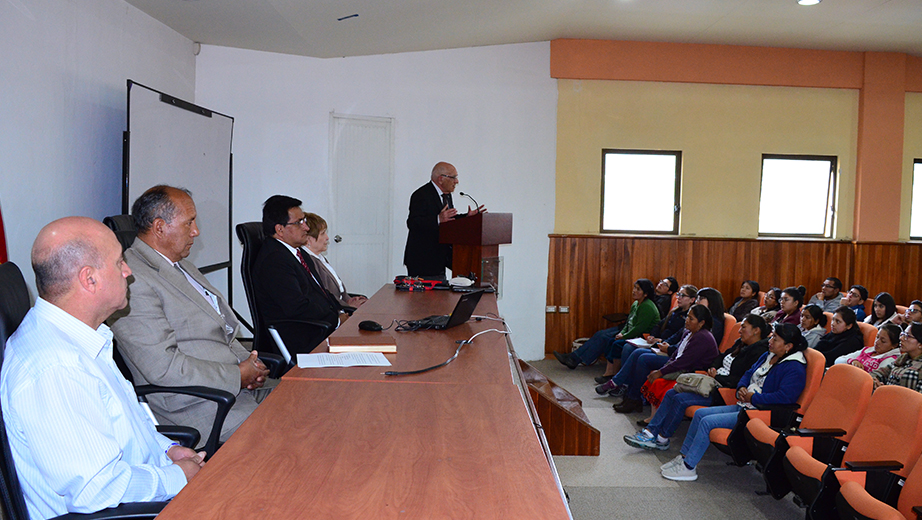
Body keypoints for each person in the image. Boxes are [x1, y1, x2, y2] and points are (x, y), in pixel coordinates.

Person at [1, 217, 205, 519]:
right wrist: (178, 477)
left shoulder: (82, 337)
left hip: (145, 494)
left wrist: (167, 450)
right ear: (89, 279)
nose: (128, 271)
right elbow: (95, 490)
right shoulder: (57, 368)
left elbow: (126, 427)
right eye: (119, 262)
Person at [110, 186, 274, 446]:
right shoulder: (133, 280)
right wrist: (236, 376)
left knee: (312, 404)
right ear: (160, 227)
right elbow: (163, 368)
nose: (196, 231)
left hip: (240, 389)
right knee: (290, 437)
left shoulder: (181, 264)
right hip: (203, 405)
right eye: (189, 223)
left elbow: (221, 329)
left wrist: (251, 367)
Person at [624, 323, 807, 482]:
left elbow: (785, 398)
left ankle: (689, 467)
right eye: (772, 336)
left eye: (776, 339)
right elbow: (748, 374)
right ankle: (684, 457)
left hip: (759, 413)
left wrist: (753, 398)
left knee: (707, 421)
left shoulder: (795, 367)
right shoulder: (769, 355)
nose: (771, 341)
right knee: (700, 414)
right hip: (745, 404)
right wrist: (743, 387)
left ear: (788, 346)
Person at [252, 196, 342, 355]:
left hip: (320, 326)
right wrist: (336, 321)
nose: (306, 227)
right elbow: (297, 307)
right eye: (299, 222)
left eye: (304, 220)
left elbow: (319, 292)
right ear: (280, 229)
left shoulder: (297, 252)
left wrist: (341, 309)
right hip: (304, 337)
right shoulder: (274, 261)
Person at [612, 304, 719, 414]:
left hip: (692, 371)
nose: (687, 320)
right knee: (638, 354)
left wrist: (660, 372)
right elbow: (677, 353)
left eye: (691, 319)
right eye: (687, 316)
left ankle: (633, 398)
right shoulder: (689, 332)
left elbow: (684, 362)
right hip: (678, 364)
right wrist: (665, 365)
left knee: (644, 359)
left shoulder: (703, 337)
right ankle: (631, 396)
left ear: (701, 323)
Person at [595, 284, 697, 385]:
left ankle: (621, 382)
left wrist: (661, 341)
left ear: (692, 300)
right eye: (678, 294)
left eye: (683, 295)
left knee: (630, 349)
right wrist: (653, 335)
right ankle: (622, 381)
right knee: (627, 346)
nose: (678, 297)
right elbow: (659, 324)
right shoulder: (675, 311)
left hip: (667, 346)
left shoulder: (690, 319)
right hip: (659, 341)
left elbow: (678, 336)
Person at [554, 279, 659, 371]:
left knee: (604, 338)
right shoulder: (636, 303)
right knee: (600, 334)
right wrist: (622, 332)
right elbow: (629, 322)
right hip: (625, 329)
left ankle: (574, 359)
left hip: (639, 335)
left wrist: (623, 336)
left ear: (645, 294)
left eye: (638, 289)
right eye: (634, 288)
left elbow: (639, 328)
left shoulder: (648, 307)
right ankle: (573, 358)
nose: (634, 291)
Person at [403, 161, 485, 277]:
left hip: (440, 259)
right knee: (424, 296)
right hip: (423, 260)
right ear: (441, 179)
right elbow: (413, 223)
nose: (457, 181)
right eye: (453, 177)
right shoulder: (421, 195)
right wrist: (437, 219)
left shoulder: (446, 195)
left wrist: (467, 217)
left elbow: (448, 220)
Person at [302, 212, 367, 309]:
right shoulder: (309, 262)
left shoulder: (319, 257)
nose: (327, 238)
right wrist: (348, 306)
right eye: (323, 233)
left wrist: (349, 299)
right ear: (308, 239)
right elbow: (324, 296)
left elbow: (338, 290)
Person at [869, 322, 922, 393]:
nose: (901, 338)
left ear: (920, 344)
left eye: (907, 336)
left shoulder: (919, 367)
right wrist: (875, 381)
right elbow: (879, 372)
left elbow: (916, 399)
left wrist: (886, 391)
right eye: (903, 334)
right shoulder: (903, 359)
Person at [836, 323, 901, 372]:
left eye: (883, 341)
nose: (877, 342)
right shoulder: (867, 350)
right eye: (877, 337)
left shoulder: (890, 360)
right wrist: (852, 361)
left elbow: (874, 378)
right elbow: (838, 360)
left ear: (894, 345)